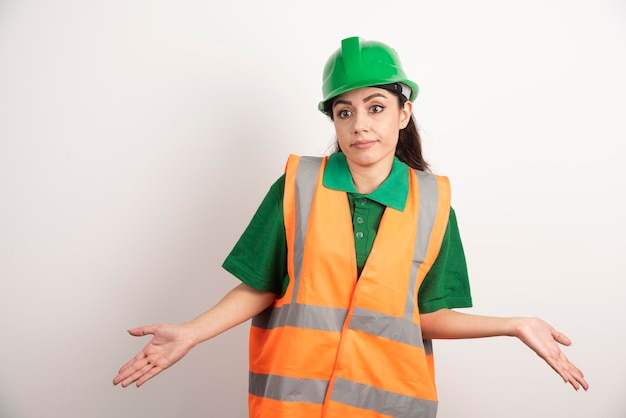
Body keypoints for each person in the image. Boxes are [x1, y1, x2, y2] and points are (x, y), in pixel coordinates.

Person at [113, 36, 588, 417]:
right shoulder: (297, 186)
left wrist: (514, 325)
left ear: (403, 114)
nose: (360, 124)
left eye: (376, 106)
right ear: (335, 122)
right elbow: (261, 285)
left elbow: (424, 315)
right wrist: (193, 331)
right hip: (293, 407)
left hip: (387, 404)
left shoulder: (433, 204)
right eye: (346, 111)